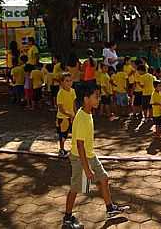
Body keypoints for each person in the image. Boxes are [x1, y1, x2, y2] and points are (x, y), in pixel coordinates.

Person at [63, 84, 129, 228]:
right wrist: (86, 169)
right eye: (96, 96)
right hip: (80, 159)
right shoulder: (81, 117)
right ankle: (67, 218)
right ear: (86, 99)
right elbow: (80, 145)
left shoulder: (88, 113)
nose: (99, 99)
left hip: (90, 155)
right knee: (77, 188)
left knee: (104, 178)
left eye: (99, 96)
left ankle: (110, 208)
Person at [56, 73, 77, 157]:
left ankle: (74, 150)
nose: (69, 83)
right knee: (63, 135)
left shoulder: (72, 91)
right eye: (66, 81)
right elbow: (61, 108)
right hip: (63, 117)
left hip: (71, 116)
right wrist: (69, 114)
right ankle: (61, 149)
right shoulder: (60, 93)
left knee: (74, 133)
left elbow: (74, 104)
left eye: (70, 80)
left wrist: (75, 114)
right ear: (62, 82)